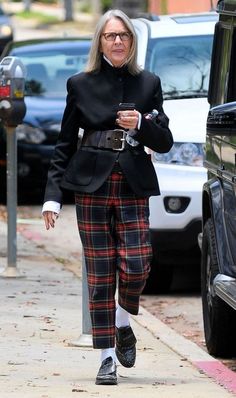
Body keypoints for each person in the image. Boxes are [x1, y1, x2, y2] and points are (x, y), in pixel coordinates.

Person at [42, 9, 173, 386]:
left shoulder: (149, 83)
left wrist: (143, 125)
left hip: (133, 184)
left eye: (124, 36)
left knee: (137, 263)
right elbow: (65, 143)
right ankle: (106, 358)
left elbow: (164, 142)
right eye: (110, 36)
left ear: (132, 42)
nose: (117, 42)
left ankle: (122, 322)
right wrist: (53, 196)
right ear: (99, 42)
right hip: (91, 185)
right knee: (100, 276)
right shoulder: (79, 84)